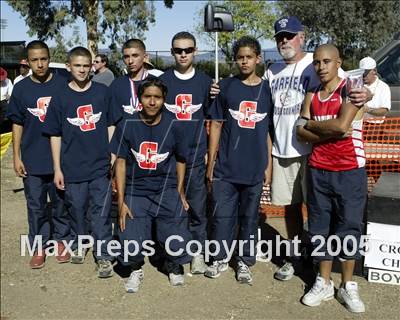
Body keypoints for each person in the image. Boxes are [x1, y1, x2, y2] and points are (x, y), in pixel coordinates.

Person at [263, 16, 371, 281]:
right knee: (290, 209)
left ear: (302, 36)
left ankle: (325, 265)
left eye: (289, 35)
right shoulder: (271, 70)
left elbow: (352, 88)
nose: (284, 41)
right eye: (280, 37)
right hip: (282, 149)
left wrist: (366, 94)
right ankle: (297, 255)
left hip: (315, 153)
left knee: (320, 211)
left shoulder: (318, 61)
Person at [297, 44, 366, 313]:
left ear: (339, 62)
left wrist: (312, 125)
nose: (321, 67)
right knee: (319, 228)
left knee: (348, 227)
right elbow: (300, 132)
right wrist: (327, 129)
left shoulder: (352, 89)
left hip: (349, 170)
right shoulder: (311, 94)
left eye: (327, 61)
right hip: (318, 169)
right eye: (316, 62)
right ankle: (323, 281)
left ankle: (347, 285)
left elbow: (342, 126)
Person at [42, 46, 121, 278]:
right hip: (72, 166)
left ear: (93, 67)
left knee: (102, 211)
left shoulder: (102, 92)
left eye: (87, 66)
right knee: (76, 209)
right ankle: (78, 241)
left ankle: (104, 254)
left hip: (99, 166)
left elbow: (111, 124)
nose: (82, 70)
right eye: (77, 65)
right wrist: (57, 168)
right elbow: (55, 134)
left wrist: (112, 155)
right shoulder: (59, 96)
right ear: (68, 67)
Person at [111, 78, 192, 292]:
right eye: (147, 97)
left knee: (177, 239)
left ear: (164, 99)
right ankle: (136, 268)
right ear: (140, 99)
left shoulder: (174, 124)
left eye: (157, 97)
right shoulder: (127, 124)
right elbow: (119, 163)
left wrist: (180, 192)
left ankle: (172, 264)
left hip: (165, 189)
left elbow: (181, 160)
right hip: (137, 192)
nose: (152, 102)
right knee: (129, 239)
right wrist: (121, 201)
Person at [205, 36, 273, 284]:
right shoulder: (225, 86)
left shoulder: (267, 89)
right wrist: (211, 162)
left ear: (258, 59)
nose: (244, 61)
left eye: (249, 57)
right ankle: (220, 258)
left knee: (249, 218)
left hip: (254, 168)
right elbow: (215, 126)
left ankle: (244, 261)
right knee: (222, 217)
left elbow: (268, 130)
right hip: (225, 168)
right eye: (240, 57)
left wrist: (269, 165)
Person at [6, 40, 70, 269]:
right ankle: (40, 246)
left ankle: (63, 241)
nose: (40, 64)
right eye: (35, 60)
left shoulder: (64, 83)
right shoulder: (21, 88)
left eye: (44, 58)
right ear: (27, 61)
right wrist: (16, 156)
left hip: (60, 159)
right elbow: (17, 124)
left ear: (49, 57)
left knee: (61, 204)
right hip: (32, 159)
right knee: (36, 207)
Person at [160, 31, 213, 275]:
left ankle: (198, 253)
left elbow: (212, 121)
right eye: (178, 50)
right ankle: (174, 252)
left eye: (187, 50)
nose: (183, 54)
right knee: (171, 209)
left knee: (197, 208)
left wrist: (209, 154)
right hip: (168, 159)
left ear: (195, 51)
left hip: (195, 157)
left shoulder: (205, 82)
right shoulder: (163, 81)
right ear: (172, 52)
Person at [109, 39, 157, 118]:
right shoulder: (116, 85)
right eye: (126, 57)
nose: (130, 61)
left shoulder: (156, 83)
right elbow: (112, 121)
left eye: (135, 55)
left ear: (145, 57)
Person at [359, 56, 391, 123]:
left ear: (374, 71)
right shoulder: (356, 84)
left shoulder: (383, 87)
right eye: (361, 72)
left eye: (366, 72)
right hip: (359, 125)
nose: (363, 75)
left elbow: (384, 111)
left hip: (375, 128)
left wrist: (368, 110)